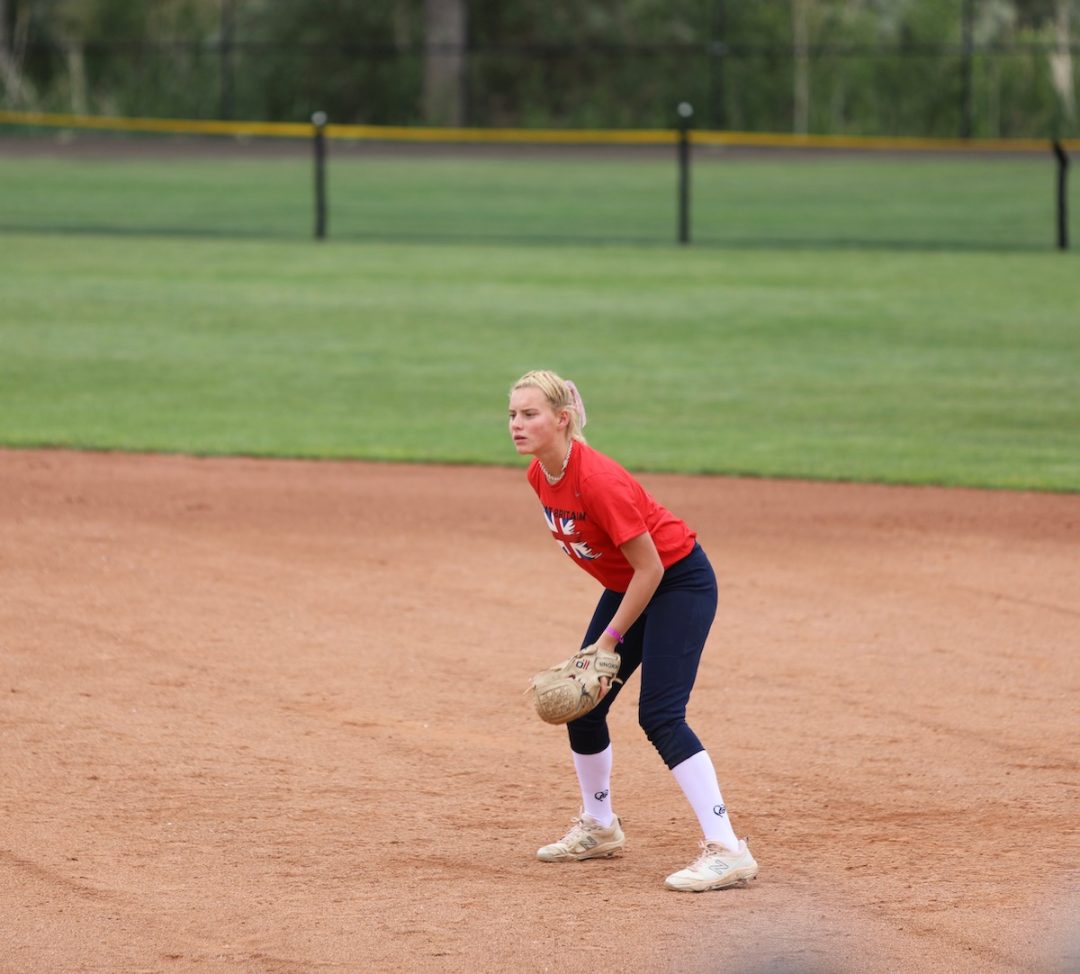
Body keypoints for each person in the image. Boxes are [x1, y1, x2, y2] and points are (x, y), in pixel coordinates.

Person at [508, 369, 759, 893]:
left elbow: (652, 568)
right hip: (634, 586)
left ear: (562, 419)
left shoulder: (598, 481)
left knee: (661, 714)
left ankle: (727, 848)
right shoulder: (541, 473)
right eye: (512, 414)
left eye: (530, 414)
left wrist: (609, 641)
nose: (517, 424)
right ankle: (599, 826)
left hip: (678, 582)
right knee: (587, 701)